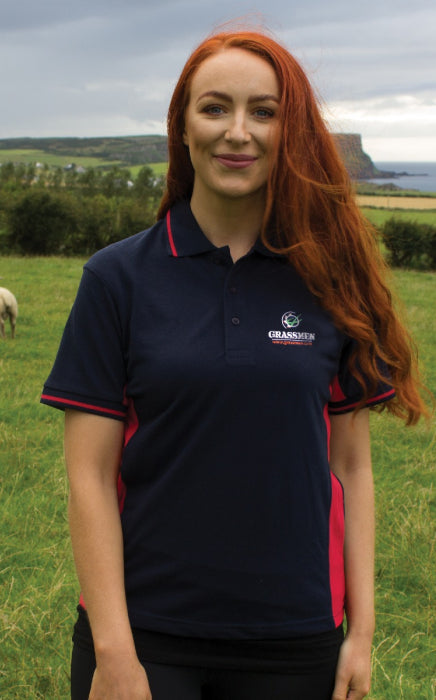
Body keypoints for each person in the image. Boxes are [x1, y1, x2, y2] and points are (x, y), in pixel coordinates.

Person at [40, 29, 427, 700]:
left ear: (290, 132)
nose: (237, 133)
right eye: (214, 108)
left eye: (264, 112)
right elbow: (89, 476)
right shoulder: (116, 279)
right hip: (147, 635)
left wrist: (360, 635)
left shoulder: (329, 281)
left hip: (296, 638)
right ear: (182, 128)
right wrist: (115, 653)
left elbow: (352, 468)